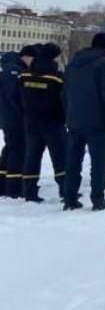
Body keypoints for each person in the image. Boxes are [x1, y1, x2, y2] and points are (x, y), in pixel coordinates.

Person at [63, 33, 105, 212]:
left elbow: (64, 93)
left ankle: (69, 198)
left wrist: (68, 113)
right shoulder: (104, 65)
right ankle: (98, 199)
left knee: (73, 160)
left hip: (74, 119)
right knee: (98, 162)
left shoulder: (72, 64)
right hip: (97, 121)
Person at [20, 42, 67, 203]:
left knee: (32, 156)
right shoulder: (57, 77)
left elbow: (20, 97)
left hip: (31, 122)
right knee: (60, 157)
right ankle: (65, 190)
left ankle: (29, 191)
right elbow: (63, 101)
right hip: (53, 123)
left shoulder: (25, 75)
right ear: (55, 56)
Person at [0, 47, 33, 199]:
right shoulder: (12, 71)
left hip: (8, 118)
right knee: (16, 151)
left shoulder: (9, 70)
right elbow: (13, 95)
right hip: (14, 119)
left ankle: (4, 183)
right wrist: (24, 110)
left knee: (10, 149)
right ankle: (13, 187)